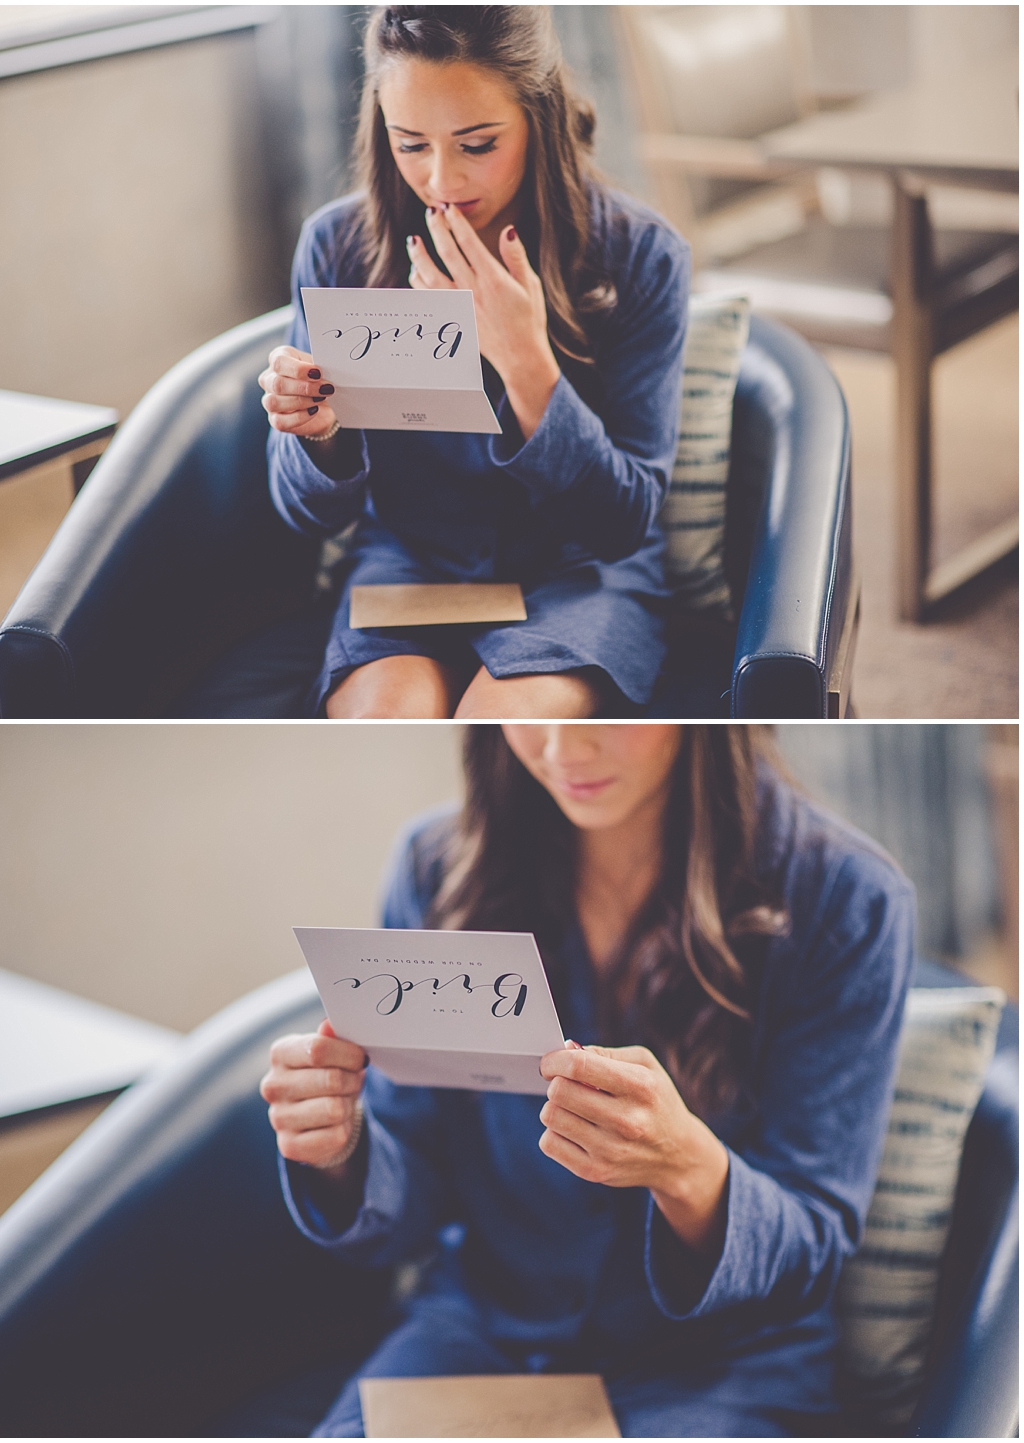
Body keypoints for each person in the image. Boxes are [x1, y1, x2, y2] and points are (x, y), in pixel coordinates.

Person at [260, 725, 916, 1437]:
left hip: (723, 1363)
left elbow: (813, 1239)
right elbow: (416, 1179)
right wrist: (339, 1147)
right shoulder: (435, 870)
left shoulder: (848, 899)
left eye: (603, 715)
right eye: (531, 715)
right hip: (485, 1331)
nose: (563, 747)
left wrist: (688, 1168)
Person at [259, 7, 690, 719]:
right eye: (411, 144)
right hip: (413, 560)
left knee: (503, 724)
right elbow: (304, 515)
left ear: (538, 119)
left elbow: (621, 525)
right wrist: (315, 433)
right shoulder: (337, 247)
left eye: (478, 143)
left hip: (580, 572)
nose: (440, 179)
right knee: (383, 725)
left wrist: (526, 359)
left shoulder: (641, 256)